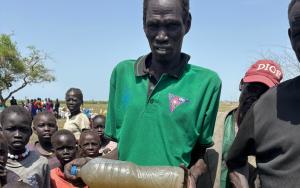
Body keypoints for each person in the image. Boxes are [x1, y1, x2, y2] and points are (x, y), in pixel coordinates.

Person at [65, 0, 221, 187]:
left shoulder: (206, 83)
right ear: (143, 25)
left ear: (187, 23)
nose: (161, 36)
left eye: (171, 25)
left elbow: (199, 154)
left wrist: (192, 176)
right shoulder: (122, 74)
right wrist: (93, 163)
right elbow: (123, 151)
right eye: (153, 25)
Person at [226, 1, 300, 187]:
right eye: (251, 87)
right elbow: (234, 161)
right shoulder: (265, 107)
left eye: (263, 90)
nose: (254, 96)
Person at [216, 60, 282, 188]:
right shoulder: (214, 123)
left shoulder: (274, 138)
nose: (256, 97)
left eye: (265, 93)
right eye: (252, 88)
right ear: (241, 85)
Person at [0, 106, 50, 187]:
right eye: (11, 129)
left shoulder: (41, 163)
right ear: (1, 131)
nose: (17, 135)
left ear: (30, 132)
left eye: (23, 129)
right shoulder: (2, 163)